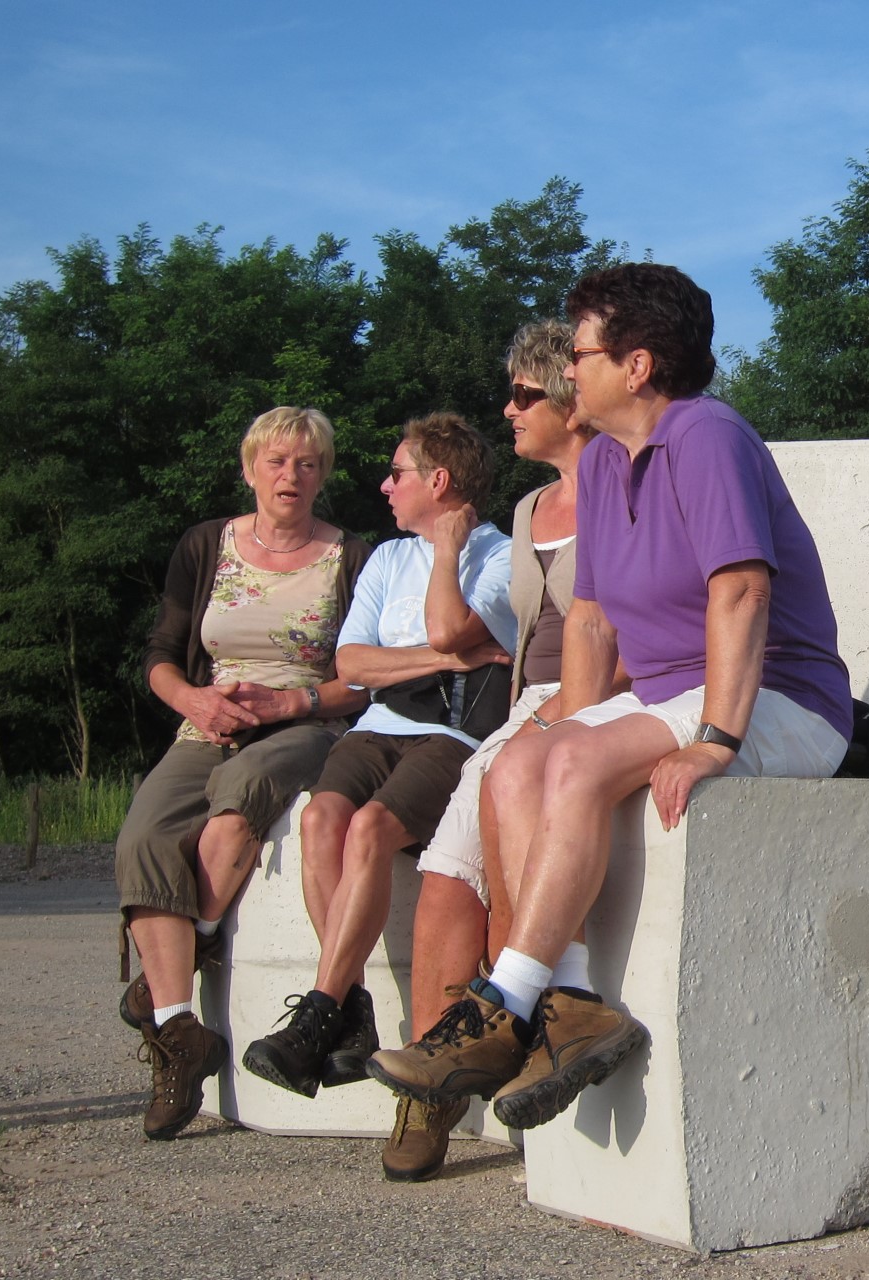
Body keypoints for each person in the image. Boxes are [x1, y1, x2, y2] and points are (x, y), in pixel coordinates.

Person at [366, 263, 852, 1132]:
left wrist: (714, 739)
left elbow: (741, 593)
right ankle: (576, 999)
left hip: (779, 700)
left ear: (636, 366)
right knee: (519, 768)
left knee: (572, 762)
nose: (568, 372)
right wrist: (568, 728)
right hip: (673, 697)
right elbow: (591, 628)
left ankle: (505, 999)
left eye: (582, 351)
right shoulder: (607, 467)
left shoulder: (706, 435)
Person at [241, 413, 518, 1098]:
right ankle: (350, 1010)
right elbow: (354, 663)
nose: (384, 485)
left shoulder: (506, 556)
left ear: (439, 481)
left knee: (369, 829)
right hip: (376, 726)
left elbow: (449, 626)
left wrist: (449, 559)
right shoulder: (390, 558)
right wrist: (443, 660)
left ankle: (318, 1014)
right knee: (320, 822)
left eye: (397, 472)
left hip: (451, 735)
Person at [115, 406, 373, 1141]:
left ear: (324, 474)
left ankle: (181, 950)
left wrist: (292, 700)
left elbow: (363, 681)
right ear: (249, 466)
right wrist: (196, 698)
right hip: (205, 720)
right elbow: (161, 654)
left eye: (308, 463)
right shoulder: (204, 546)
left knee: (239, 802)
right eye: (277, 461)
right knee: (144, 836)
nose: (291, 475)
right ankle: (178, 1033)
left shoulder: (351, 555)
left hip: (303, 724)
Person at [380, 321, 595, 1181]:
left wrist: (562, 721)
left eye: (523, 394)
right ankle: (433, 1085)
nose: (507, 409)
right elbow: (519, 635)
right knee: (444, 876)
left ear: (571, 402)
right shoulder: (526, 510)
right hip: (522, 709)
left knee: (510, 855)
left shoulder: (625, 487)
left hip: (592, 701)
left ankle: (525, 1045)